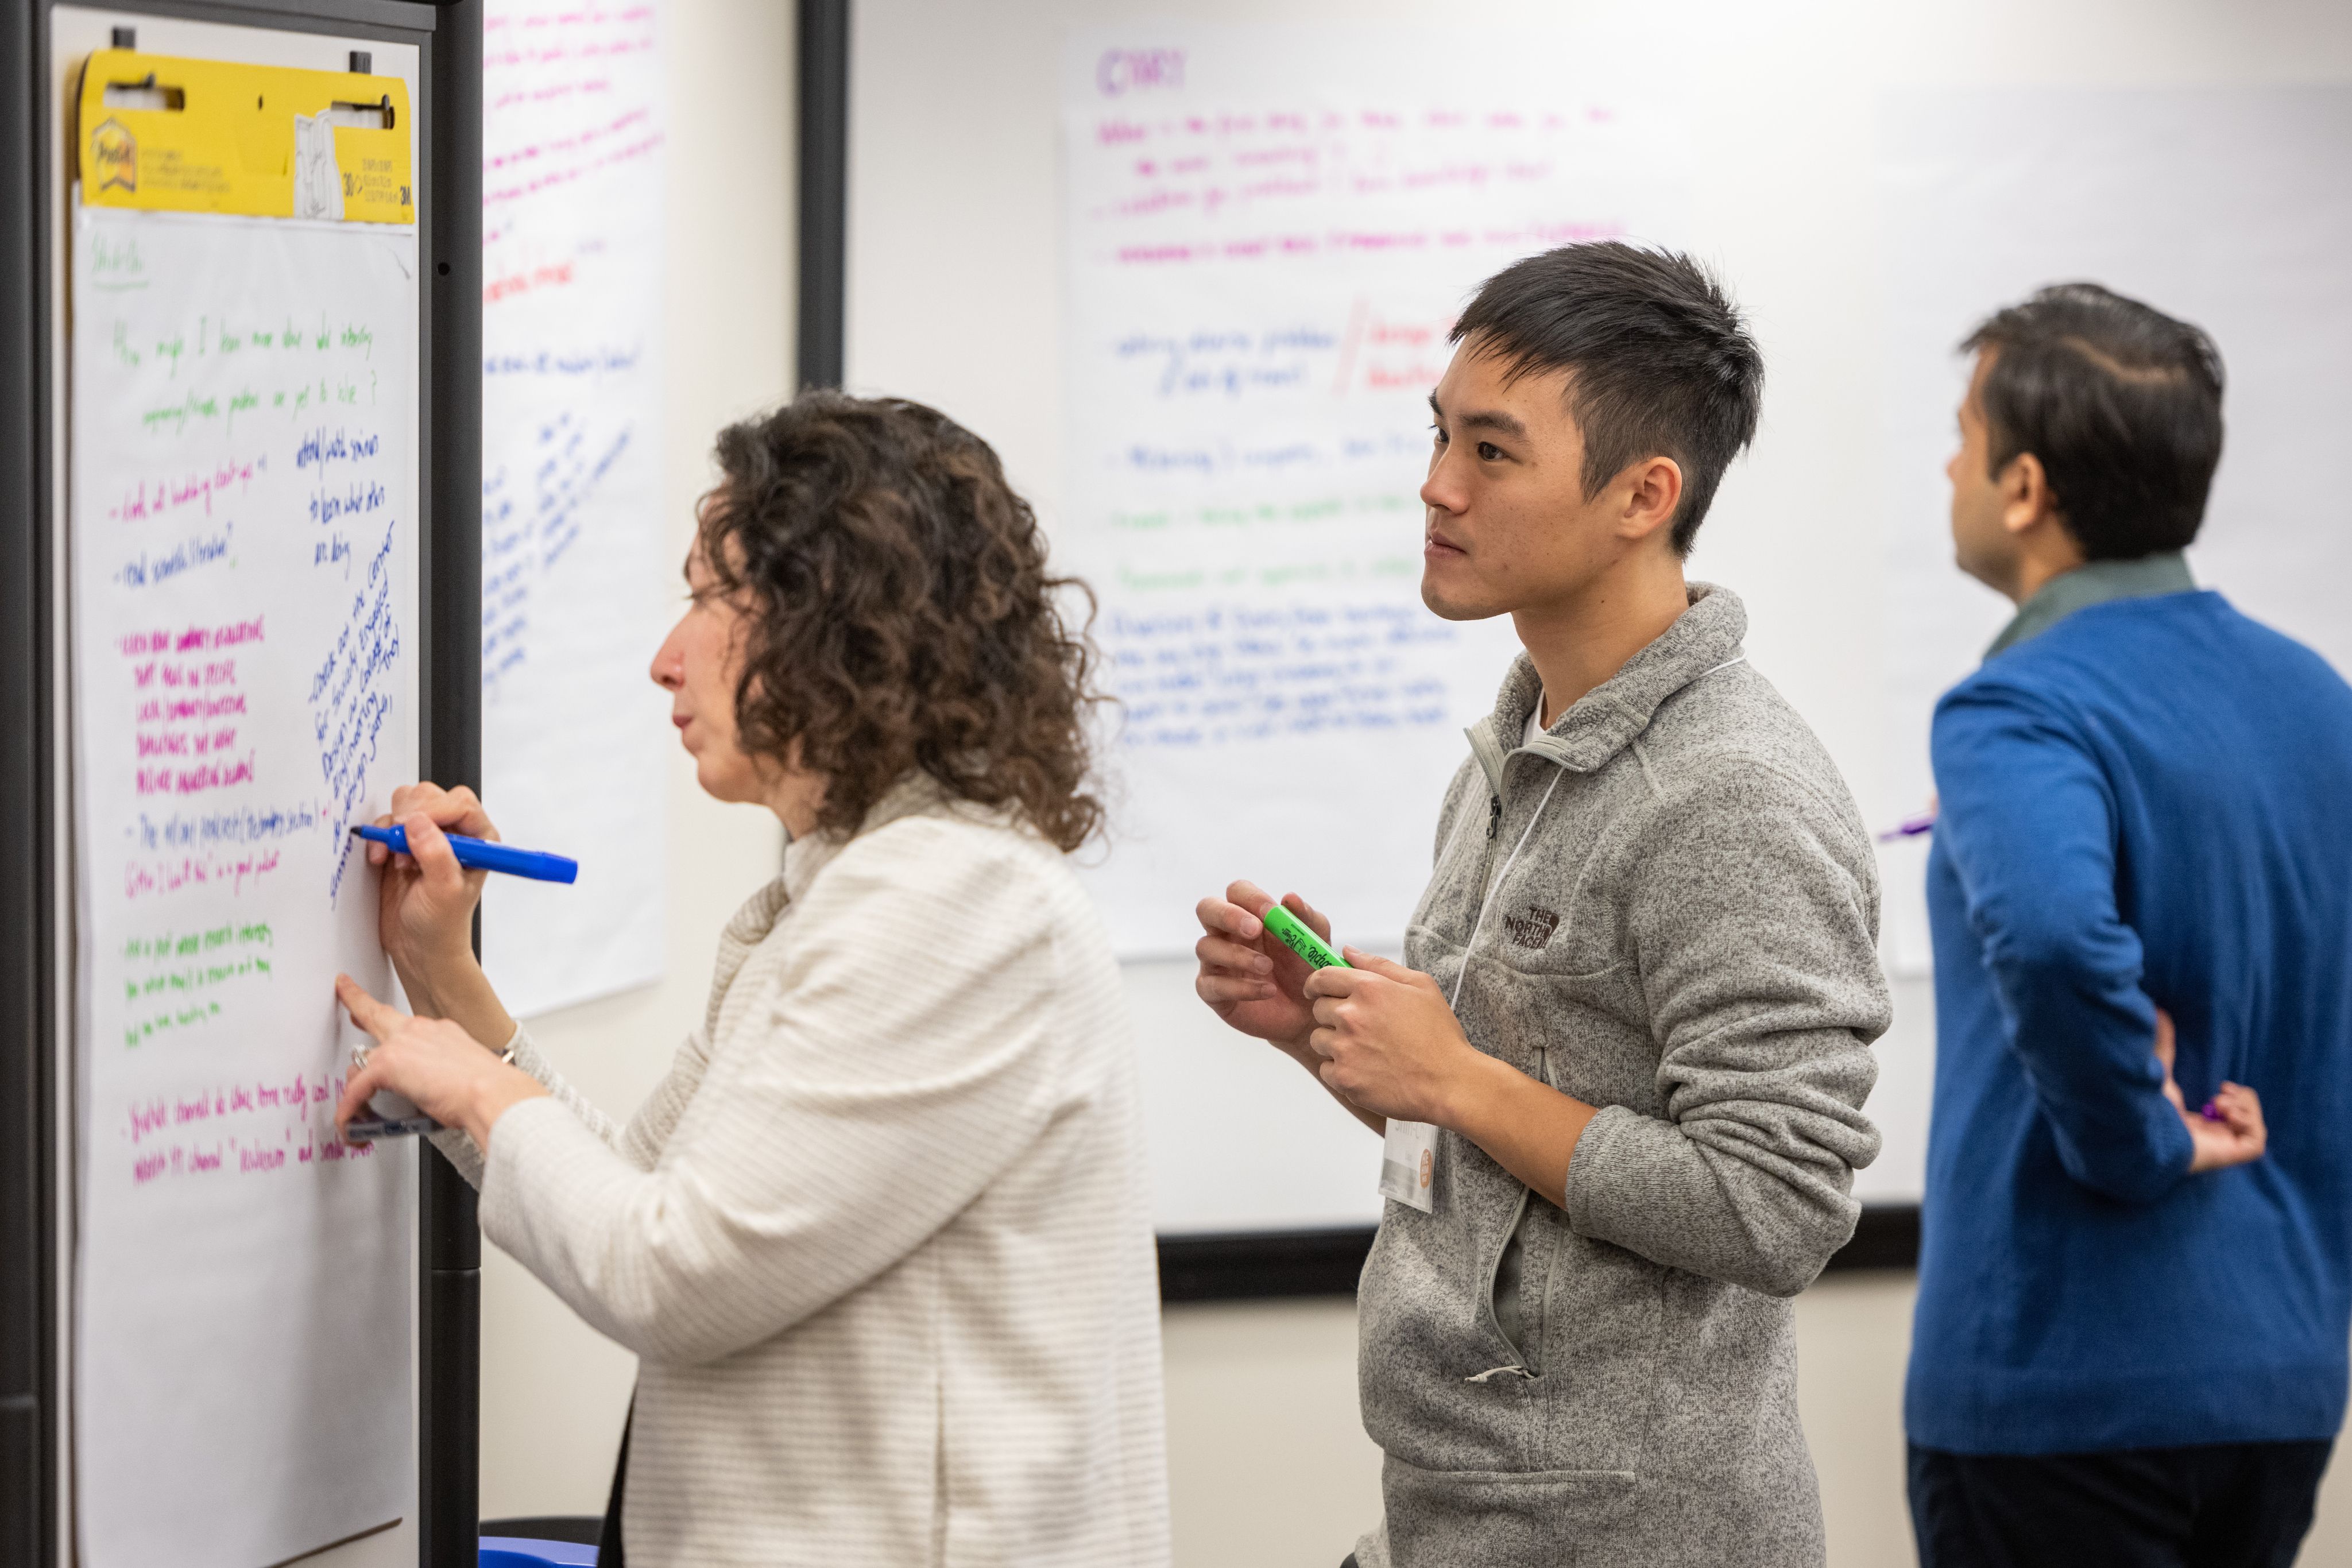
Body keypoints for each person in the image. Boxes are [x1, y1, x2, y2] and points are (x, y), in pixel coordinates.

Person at [332, 394, 1171, 1567]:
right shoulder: (851, 889)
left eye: (710, 598)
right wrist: (441, 972)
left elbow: (665, 1268)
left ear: (838, 620)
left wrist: (471, 1089)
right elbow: (629, 1183)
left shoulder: (950, 911)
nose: (665, 658)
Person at [1191, 242, 1891, 1567]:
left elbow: (1774, 1206)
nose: (1435, 484)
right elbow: (1493, 1153)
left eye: (1492, 451)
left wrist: (1452, 1077)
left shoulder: (1729, 796)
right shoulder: (1517, 753)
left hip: (1634, 1533)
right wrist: (1336, 1040)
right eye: (1438, 435)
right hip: (1460, 1510)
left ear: (1642, 495)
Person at [1905, 283, 2352, 1568]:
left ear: (2024, 488)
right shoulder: (2317, 698)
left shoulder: (2013, 708)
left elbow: (2047, 938)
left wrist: (2135, 1140)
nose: (1946, 462)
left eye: (1960, 433)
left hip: (2061, 1388)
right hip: (2274, 1375)